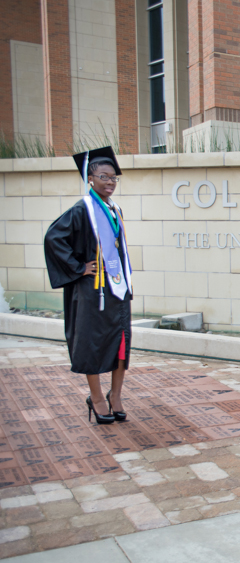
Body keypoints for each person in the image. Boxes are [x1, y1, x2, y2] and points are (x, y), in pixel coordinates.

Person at [44, 146, 134, 425]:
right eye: (104, 177)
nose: (110, 182)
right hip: (91, 292)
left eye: (114, 178)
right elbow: (53, 238)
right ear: (90, 179)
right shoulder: (82, 210)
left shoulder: (113, 209)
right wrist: (79, 267)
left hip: (116, 289)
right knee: (92, 343)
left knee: (121, 341)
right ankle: (96, 398)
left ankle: (115, 395)